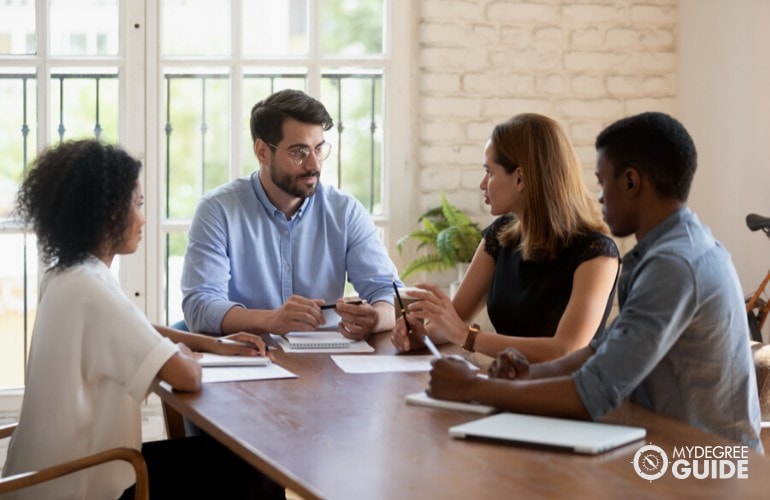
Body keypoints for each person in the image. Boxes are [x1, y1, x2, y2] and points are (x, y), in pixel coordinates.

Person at [427, 112, 763, 451]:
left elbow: (595, 390)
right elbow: (600, 352)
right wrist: (530, 373)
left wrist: (472, 388)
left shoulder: (674, 266)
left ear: (631, 182)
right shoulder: (667, 250)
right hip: (663, 446)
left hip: (708, 466)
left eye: (603, 182)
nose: (599, 197)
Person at [2, 139, 283, 498]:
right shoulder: (92, 289)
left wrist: (214, 344)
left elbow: (136, 327)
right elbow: (188, 376)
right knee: (256, 465)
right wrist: (180, 351)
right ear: (105, 213)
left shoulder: (66, 274)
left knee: (240, 461)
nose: (143, 218)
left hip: (41, 479)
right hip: (86, 484)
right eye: (136, 205)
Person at [392, 113, 619, 363]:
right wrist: (421, 335)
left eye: (489, 172)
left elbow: (565, 350)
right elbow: (455, 321)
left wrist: (466, 336)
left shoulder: (596, 252)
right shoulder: (500, 236)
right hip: (508, 386)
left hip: (561, 396)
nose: (482, 184)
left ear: (520, 178)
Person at [181, 88, 400, 340]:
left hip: (326, 366)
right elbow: (199, 306)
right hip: (250, 362)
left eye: (318, 149)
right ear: (262, 152)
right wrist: (270, 320)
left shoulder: (345, 211)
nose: (314, 165)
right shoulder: (217, 211)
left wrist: (376, 318)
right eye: (299, 152)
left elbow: (390, 293)